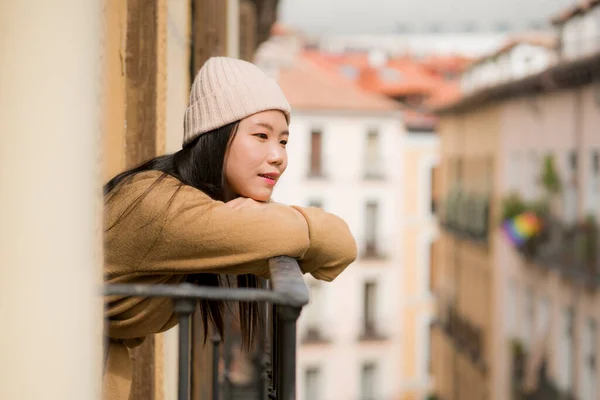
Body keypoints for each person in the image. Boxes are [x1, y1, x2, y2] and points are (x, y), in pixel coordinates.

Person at [103, 57, 357, 400]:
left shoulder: (177, 198)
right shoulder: (160, 206)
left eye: (283, 141)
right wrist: (266, 219)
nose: (278, 155)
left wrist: (259, 214)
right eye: (261, 135)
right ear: (215, 137)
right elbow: (336, 242)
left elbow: (341, 246)